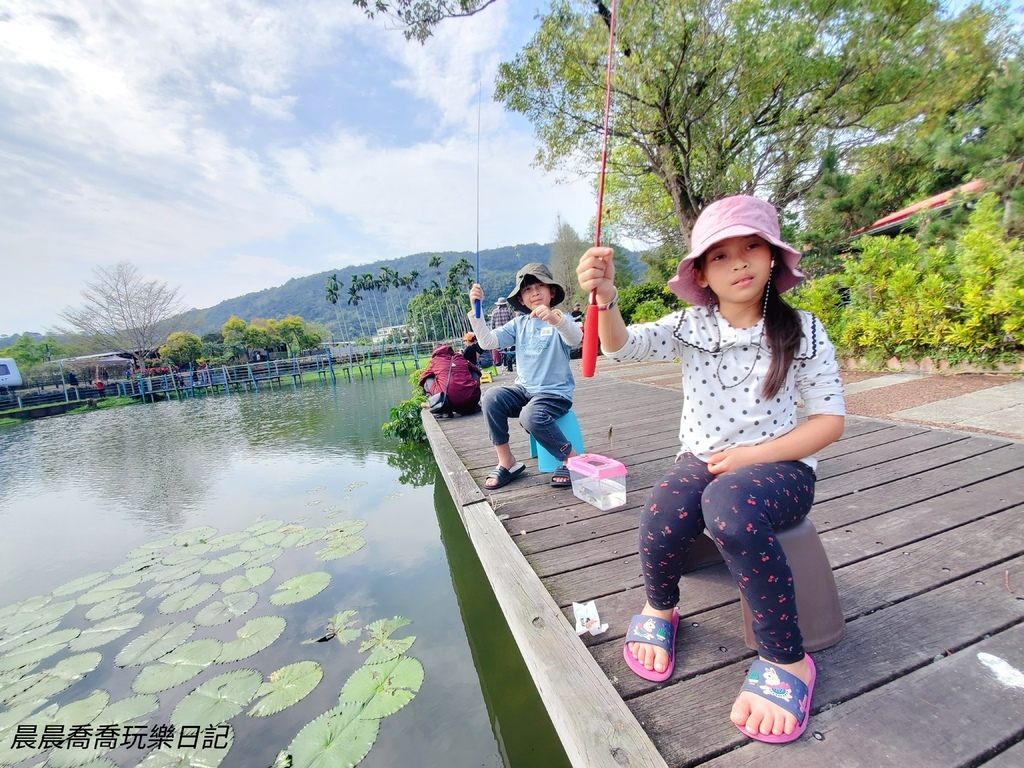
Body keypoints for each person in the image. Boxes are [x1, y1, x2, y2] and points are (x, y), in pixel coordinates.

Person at [577, 195, 845, 744]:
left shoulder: (805, 330)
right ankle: (661, 607)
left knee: (730, 506)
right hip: (700, 457)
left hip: (783, 468)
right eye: (721, 256)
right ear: (701, 272)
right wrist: (606, 300)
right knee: (661, 511)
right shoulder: (690, 326)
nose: (740, 262)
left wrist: (750, 457)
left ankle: (787, 659)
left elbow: (828, 422)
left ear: (773, 259)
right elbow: (621, 349)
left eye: (752, 248)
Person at [467, 263, 583, 489]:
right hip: (523, 390)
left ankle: (572, 460)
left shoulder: (562, 319)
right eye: (528, 289)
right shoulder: (519, 324)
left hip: (554, 393)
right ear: (521, 299)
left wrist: (555, 319)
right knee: (491, 398)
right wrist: (476, 311)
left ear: (552, 292)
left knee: (530, 415)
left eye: (541, 286)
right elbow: (488, 342)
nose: (535, 292)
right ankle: (506, 461)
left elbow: (575, 338)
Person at [418, 345, 482, 416]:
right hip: (471, 398)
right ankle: (472, 403)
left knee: (427, 378)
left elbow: (422, 378)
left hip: (447, 401)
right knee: (474, 373)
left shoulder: (435, 361)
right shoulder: (459, 357)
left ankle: (439, 403)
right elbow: (476, 371)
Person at [490, 296, 516, 372]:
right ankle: (508, 365)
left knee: (501, 350)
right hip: (507, 333)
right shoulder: (508, 311)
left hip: (498, 334)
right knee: (508, 351)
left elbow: (492, 324)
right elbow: (512, 322)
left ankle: (502, 364)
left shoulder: (494, 312)